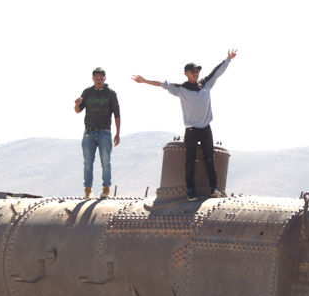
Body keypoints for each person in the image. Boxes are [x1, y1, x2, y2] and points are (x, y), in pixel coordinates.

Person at [132, 49, 237, 201]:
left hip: (206, 128)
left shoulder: (206, 84)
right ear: (186, 73)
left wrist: (228, 59)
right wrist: (145, 80)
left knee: (209, 158)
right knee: (190, 160)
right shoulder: (181, 89)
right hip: (191, 130)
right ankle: (190, 190)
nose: (196, 74)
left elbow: (218, 71)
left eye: (197, 71)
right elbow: (162, 84)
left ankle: (214, 188)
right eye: (193, 71)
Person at [75, 67, 121, 199]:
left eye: (101, 78)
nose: (99, 80)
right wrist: (77, 104)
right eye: (96, 78)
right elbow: (78, 110)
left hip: (104, 132)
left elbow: (117, 114)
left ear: (105, 79)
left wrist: (118, 133)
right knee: (88, 162)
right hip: (89, 132)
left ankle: (106, 188)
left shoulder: (111, 94)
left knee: (106, 161)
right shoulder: (87, 92)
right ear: (93, 78)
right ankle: (88, 190)